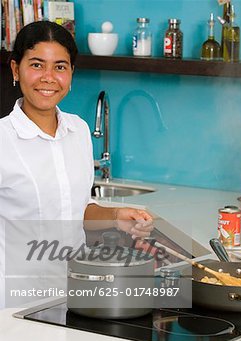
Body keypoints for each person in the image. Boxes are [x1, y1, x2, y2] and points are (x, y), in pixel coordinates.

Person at [0, 21, 153, 307]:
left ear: (71, 74)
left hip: (75, 291)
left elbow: (76, 209)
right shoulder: (3, 140)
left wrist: (117, 215)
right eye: (36, 65)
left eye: (60, 67)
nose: (48, 77)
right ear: (15, 69)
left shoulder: (78, 130)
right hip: (13, 303)